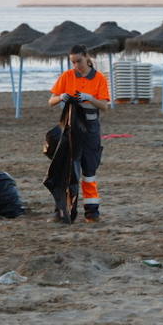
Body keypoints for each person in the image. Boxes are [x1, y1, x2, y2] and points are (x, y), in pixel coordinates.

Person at [46, 44, 110, 222]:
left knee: (89, 170)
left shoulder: (99, 78)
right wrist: (61, 97)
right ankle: (63, 210)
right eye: (72, 62)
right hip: (70, 129)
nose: (76, 66)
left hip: (90, 129)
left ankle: (92, 211)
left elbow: (105, 106)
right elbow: (50, 101)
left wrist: (90, 98)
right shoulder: (66, 76)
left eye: (78, 61)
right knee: (67, 170)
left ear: (86, 57)